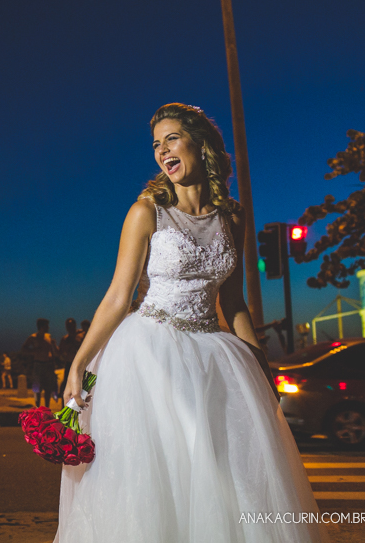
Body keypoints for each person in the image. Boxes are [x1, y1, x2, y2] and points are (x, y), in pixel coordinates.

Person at [56, 104, 327, 542]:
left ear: (201, 145)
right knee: (159, 477)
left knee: (227, 473)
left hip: (215, 355)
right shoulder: (147, 212)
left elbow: (234, 303)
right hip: (149, 354)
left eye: (172, 139)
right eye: (156, 144)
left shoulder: (232, 217)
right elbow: (117, 298)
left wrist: (261, 367)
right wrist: (80, 362)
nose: (162, 150)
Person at [22, 319, 58, 407]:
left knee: (48, 388)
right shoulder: (33, 337)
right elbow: (24, 349)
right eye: (46, 325)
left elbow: (51, 351)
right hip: (38, 364)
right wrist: (34, 351)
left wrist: (53, 362)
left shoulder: (48, 336)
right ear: (42, 327)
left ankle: (47, 407)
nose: (48, 327)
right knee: (37, 387)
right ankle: (38, 407)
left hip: (48, 365)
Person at [56, 318, 80, 405]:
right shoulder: (65, 339)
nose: (70, 327)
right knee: (66, 385)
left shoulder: (80, 336)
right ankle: (65, 406)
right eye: (68, 326)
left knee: (79, 385)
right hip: (69, 364)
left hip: (79, 365)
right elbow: (60, 352)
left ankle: (77, 407)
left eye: (71, 325)